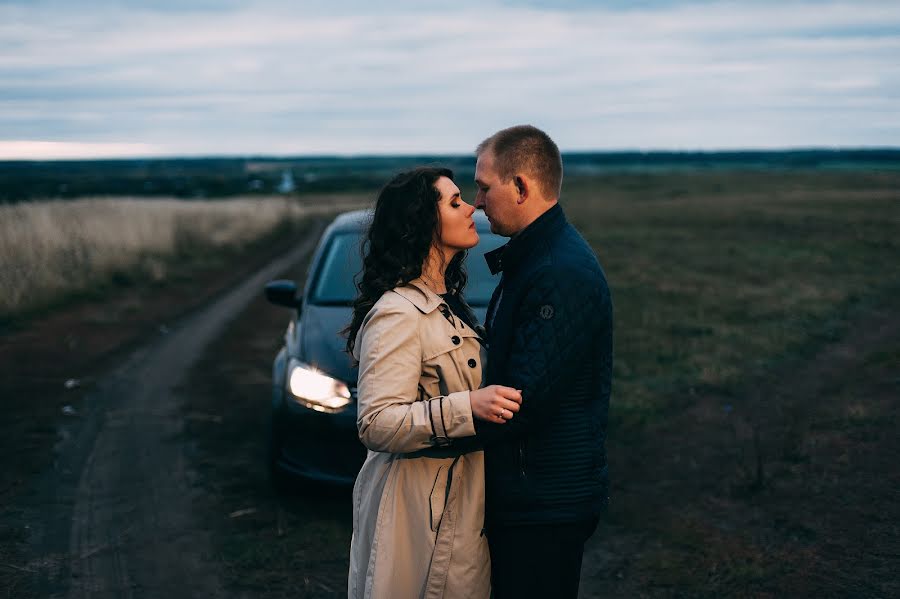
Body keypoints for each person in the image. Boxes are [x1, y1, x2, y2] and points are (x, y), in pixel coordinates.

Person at [345, 167, 523, 599]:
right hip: (418, 511)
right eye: (456, 201)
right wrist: (469, 408)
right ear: (423, 221)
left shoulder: (447, 303)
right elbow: (376, 422)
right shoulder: (397, 312)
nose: (472, 209)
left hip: (460, 502)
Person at [472, 125, 613, 599]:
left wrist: (433, 429)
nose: (477, 202)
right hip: (533, 493)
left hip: (543, 502)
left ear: (521, 186)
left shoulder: (556, 271)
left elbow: (523, 399)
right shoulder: (536, 259)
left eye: (484, 187)